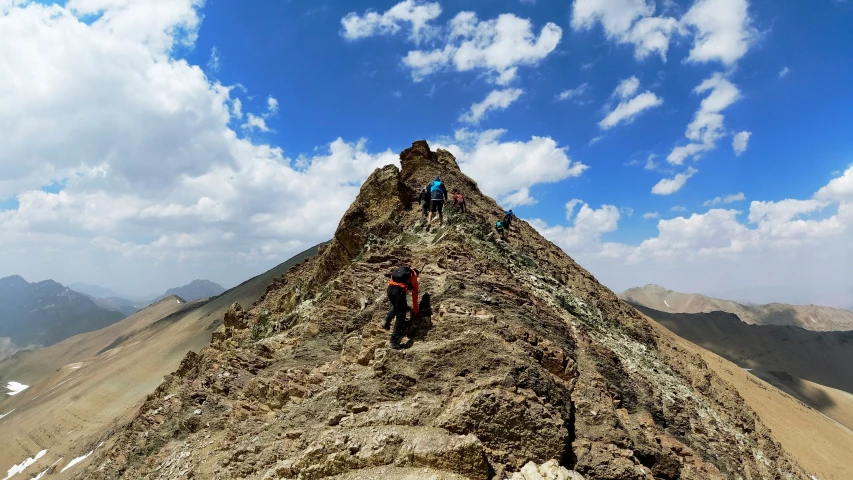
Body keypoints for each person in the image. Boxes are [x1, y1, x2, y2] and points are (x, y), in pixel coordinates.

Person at [383, 266, 419, 350]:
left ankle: (386, 321)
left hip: (389, 289)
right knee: (401, 315)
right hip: (398, 291)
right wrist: (416, 310)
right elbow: (415, 295)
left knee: (397, 307)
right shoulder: (413, 276)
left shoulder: (402, 272)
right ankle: (393, 341)